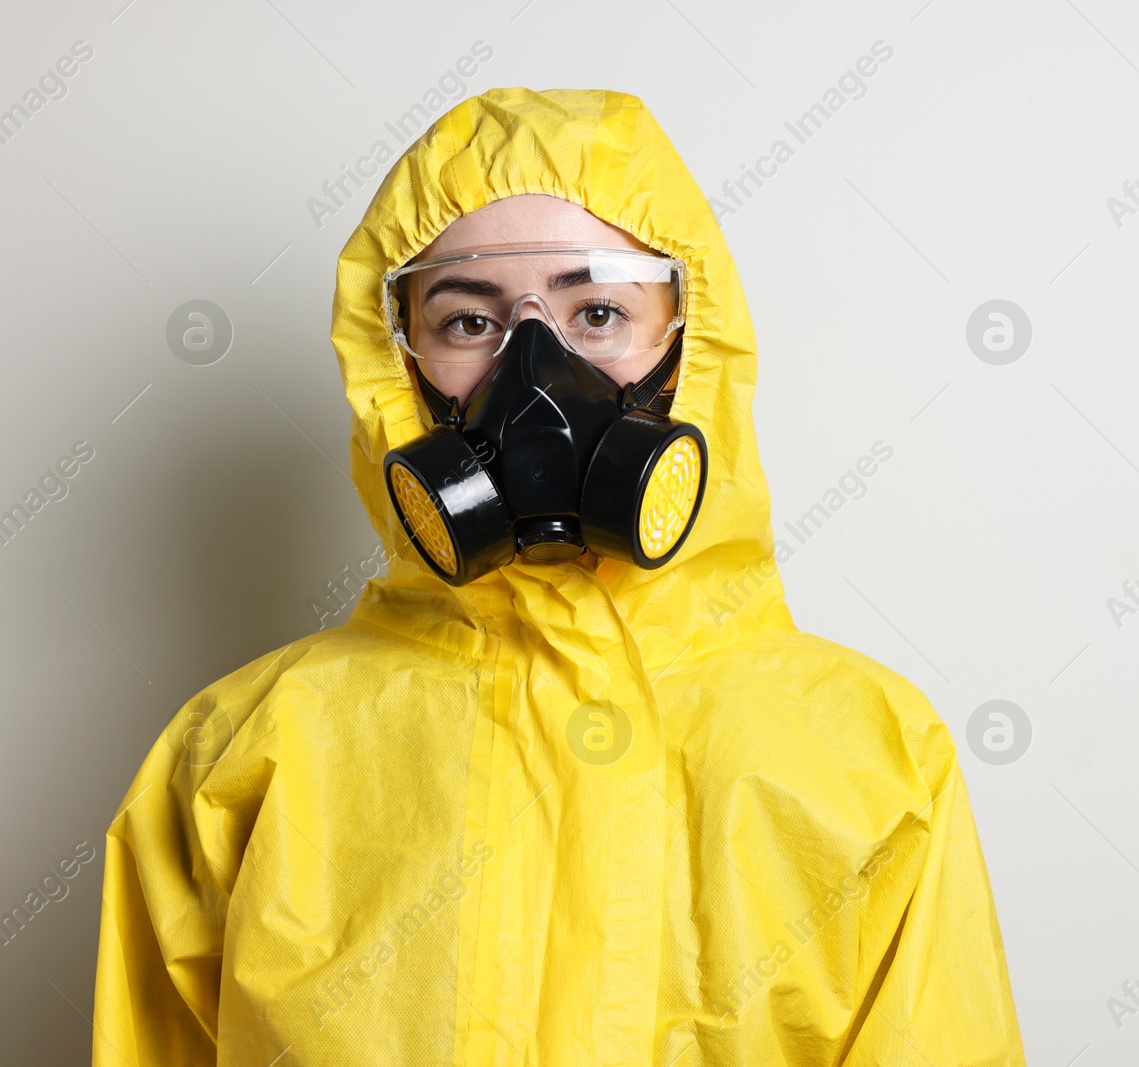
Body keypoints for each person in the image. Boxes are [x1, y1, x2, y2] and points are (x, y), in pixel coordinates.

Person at [91, 87, 1026, 1065]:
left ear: (687, 346)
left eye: (597, 310)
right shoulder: (238, 756)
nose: (532, 368)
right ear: (394, 361)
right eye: (465, 322)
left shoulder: (868, 752)